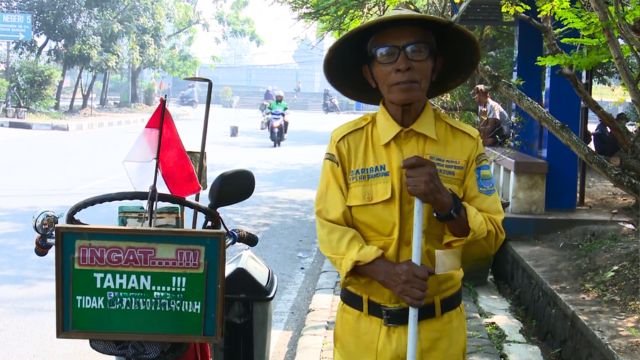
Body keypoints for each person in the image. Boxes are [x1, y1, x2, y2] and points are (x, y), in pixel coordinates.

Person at [316, 7, 505, 359]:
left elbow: (490, 236)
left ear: (435, 66)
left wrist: (445, 203)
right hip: (362, 334)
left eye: (417, 51)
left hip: (439, 335)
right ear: (370, 74)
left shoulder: (465, 144)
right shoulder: (347, 145)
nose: (403, 64)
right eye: (386, 55)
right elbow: (331, 228)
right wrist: (387, 273)